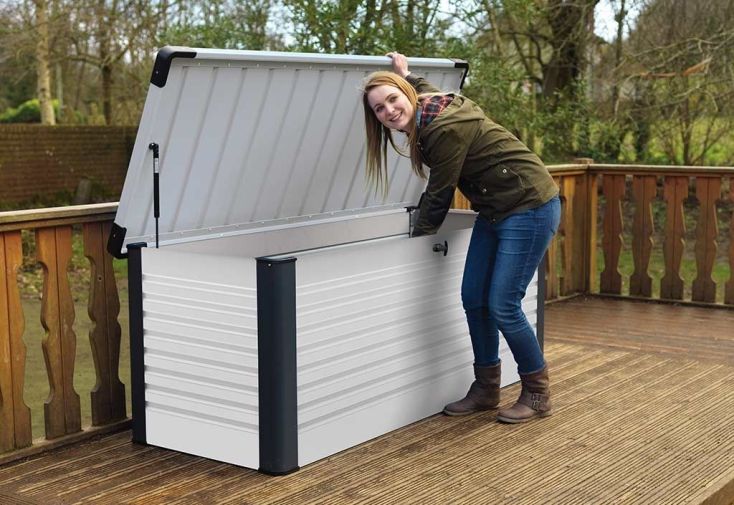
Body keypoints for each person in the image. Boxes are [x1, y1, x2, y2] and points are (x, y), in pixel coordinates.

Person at [361, 52, 561, 424]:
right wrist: (406, 75)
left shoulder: (442, 129)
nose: (388, 111)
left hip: (530, 205)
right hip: (496, 209)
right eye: (378, 108)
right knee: (474, 298)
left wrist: (416, 241)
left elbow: (440, 193)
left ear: (406, 96)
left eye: (392, 99)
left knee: (503, 304)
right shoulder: (430, 107)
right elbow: (420, 90)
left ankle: (537, 392)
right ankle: (486, 388)